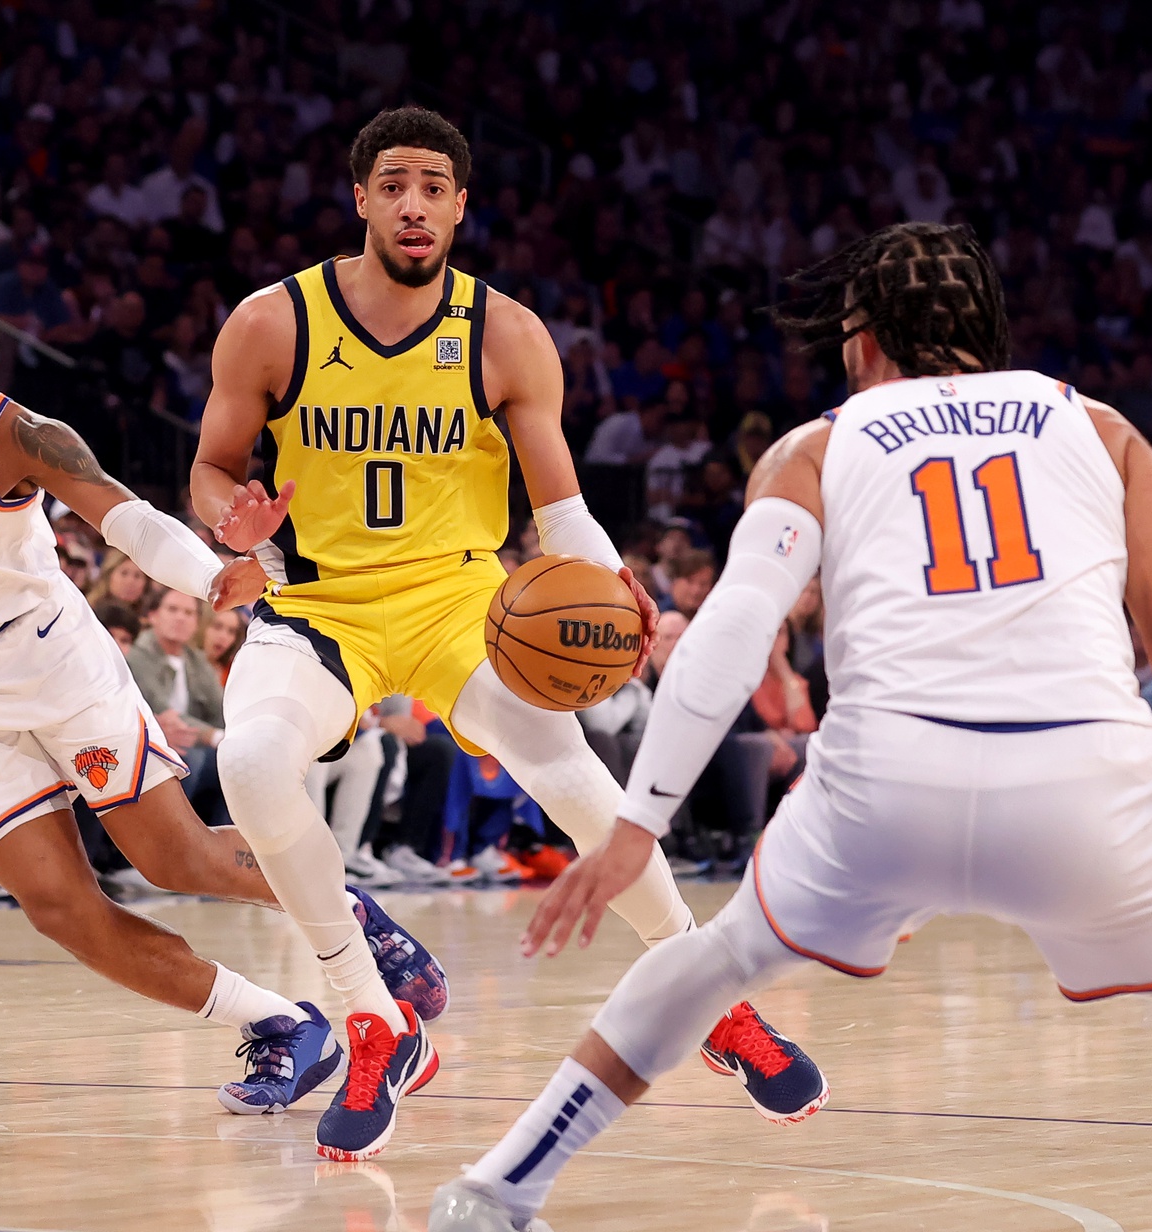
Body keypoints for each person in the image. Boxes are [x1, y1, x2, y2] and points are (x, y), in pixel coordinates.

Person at [422, 222, 1152, 1232]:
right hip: (1086, 787)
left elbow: (732, 630)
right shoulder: (1102, 428)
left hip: (884, 788)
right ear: (986, 325)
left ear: (860, 340)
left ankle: (490, 1198)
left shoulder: (814, 447)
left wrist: (637, 824)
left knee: (716, 962)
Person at [193, 108, 819, 1161]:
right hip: (317, 607)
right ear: (359, 198)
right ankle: (371, 1016)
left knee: (571, 776)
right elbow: (214, 466)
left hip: (460, 605)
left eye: (433, 185)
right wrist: (229, 519)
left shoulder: (505, 332)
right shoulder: (272, 322)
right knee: (251, 763)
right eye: (392, 183)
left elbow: (559, 504)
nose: (412, 204)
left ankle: (709, 996)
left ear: (460, 204)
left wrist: (611, 578)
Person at [0, 256, 444, 1112]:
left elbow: (124, 516)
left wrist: (211, 575)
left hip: (46, 657)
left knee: (173, 856)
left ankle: (353, 914)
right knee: (58, 907)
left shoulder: (14, 432)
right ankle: (281, 1024)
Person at [125, 588, 228, 824]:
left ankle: (228, 844)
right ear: (152, 615)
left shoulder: (195, 659)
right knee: (188, 760)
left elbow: (222, 709)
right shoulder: (139, 655)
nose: (180, 618)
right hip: (151, 744)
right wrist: (213, 735)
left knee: (238, 765)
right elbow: (160, 707)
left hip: (193, 744)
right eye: (172, 609)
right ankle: (170, 845)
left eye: (189, 613)